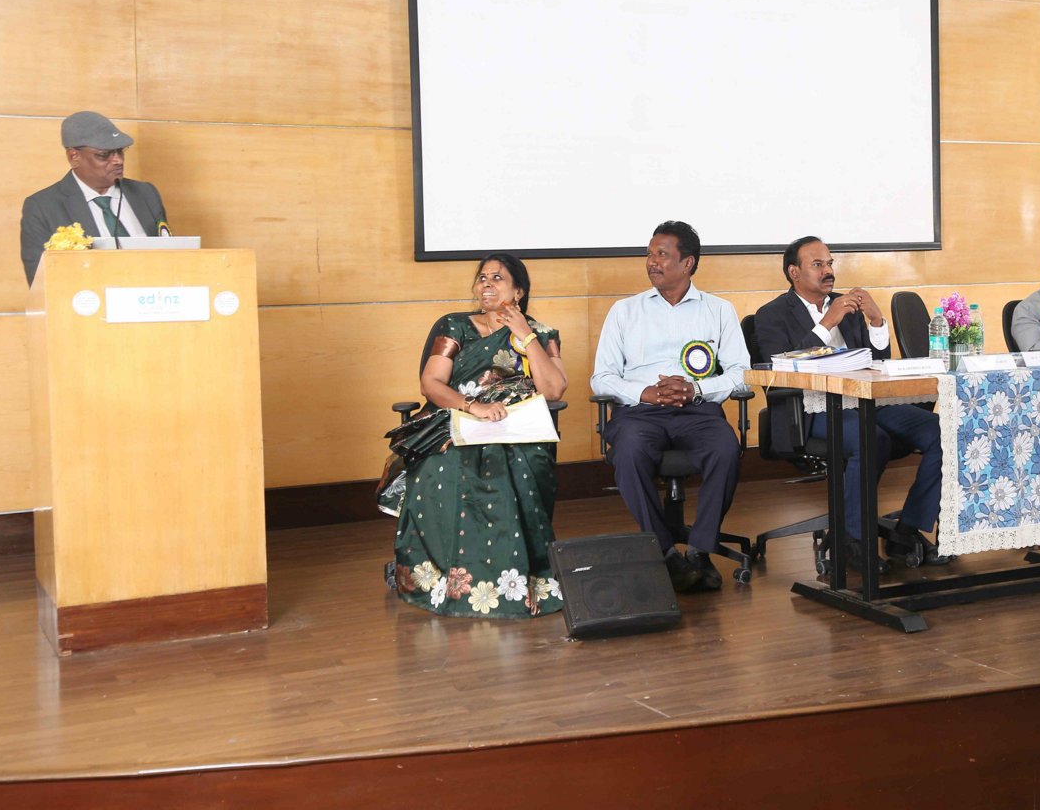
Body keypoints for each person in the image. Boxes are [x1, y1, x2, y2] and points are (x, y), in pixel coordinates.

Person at [390, 253, 569, 618]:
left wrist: (525, 335)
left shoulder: (541, 333)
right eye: (482, 277)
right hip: (455, 419)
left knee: (515, 463)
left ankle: (514, 578)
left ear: (518, 291)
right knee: (449, 465)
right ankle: (445, 576)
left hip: (517, 428)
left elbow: (553, 389)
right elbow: (431, 383)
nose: (486, 283)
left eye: (497, 278)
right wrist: (474, 407)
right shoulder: (455, 325)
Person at [754, 236, 949, 569]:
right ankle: (852, 541)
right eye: (818, 264)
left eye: (830, 263)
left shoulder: (847, 308)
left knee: (942, 431)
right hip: (813, 408)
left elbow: (877, 361)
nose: (828, 271)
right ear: (794, 272)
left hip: (867, 399)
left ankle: (907, 530)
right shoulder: (771, 315)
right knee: (870, 437)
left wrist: (876, 321)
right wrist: (827, 322)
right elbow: (783, 370)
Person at [590, 221, 750, 593]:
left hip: (697, 410)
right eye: (649, 254)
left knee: (725, 449)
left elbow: (742, 374)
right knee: (629, 451)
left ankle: (700, 550)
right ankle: (664, 553)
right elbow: (601, 378)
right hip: (640, 412)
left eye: (661, 255)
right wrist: (645, 392)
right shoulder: (625, 311)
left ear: (687, 263)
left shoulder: (719, 310)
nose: (651, 262)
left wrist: (696, 388)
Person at [20, 111, 169, 285]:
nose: (118, 161)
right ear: (74, 157)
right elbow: (42, 283)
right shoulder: (43, 207)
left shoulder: (146, 194)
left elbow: (171, 255)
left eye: (120, 151)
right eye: (104, 155)